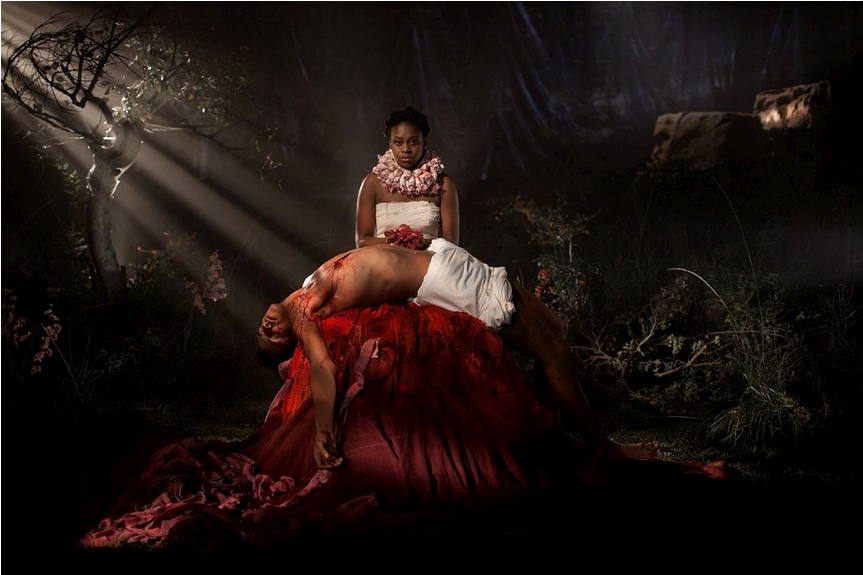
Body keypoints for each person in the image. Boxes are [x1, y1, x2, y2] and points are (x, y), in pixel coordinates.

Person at [257, 239, 660, 470]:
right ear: (292, 342)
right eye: (272, 340)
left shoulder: (307, 285)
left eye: (262, 331)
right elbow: (323, 368)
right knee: (555, 352)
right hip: (444, 279)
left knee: (556, 329)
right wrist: (323, 430)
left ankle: (557, 434)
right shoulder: (305, 311)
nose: (267, 329)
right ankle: (602, 447)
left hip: (442, 259)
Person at [355, 106, 459, 249]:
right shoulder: (372, 183)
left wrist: (419, 242)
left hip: (428, 258)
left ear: (424, 143)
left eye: (413, 142)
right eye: (398, 142)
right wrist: (398, 241)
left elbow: (451, 242)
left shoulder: (444, 183)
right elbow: (362, 241)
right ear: (390, 144)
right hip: (383, 257)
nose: (406, 149)